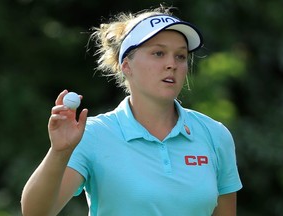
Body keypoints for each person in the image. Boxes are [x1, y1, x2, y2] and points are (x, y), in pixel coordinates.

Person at [21, 5, 242, 216]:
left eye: (180, 56)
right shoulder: (92, 134)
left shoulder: (215, 135)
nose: (171, 64)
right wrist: (59, 153)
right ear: (126, 65)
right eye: (158, 53)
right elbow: (35, 212)